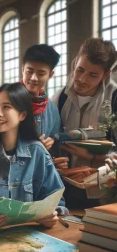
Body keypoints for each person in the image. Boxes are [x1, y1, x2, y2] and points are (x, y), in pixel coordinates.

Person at [0, 82, 67, 232]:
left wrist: (51, 215)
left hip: (27, 237)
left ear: (23, 115)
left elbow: (56, 199)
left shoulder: (37, 152)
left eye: (6, 107)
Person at [52, 38, 117, 168]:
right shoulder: (59, 98)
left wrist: (91, 156)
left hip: (102, 186)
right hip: (65, 184)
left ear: (106, 75)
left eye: (93, 75)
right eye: (80, 70)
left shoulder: (114, 98)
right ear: (75, 62)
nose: (82, 79)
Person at [21, 44, 61, 152]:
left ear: (50, 74)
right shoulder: (7, 100)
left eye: (41, 73)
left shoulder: (52, 109)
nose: (34, 78)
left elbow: (56, 137)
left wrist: (51, 141)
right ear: (22, 69)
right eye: (29, 71)